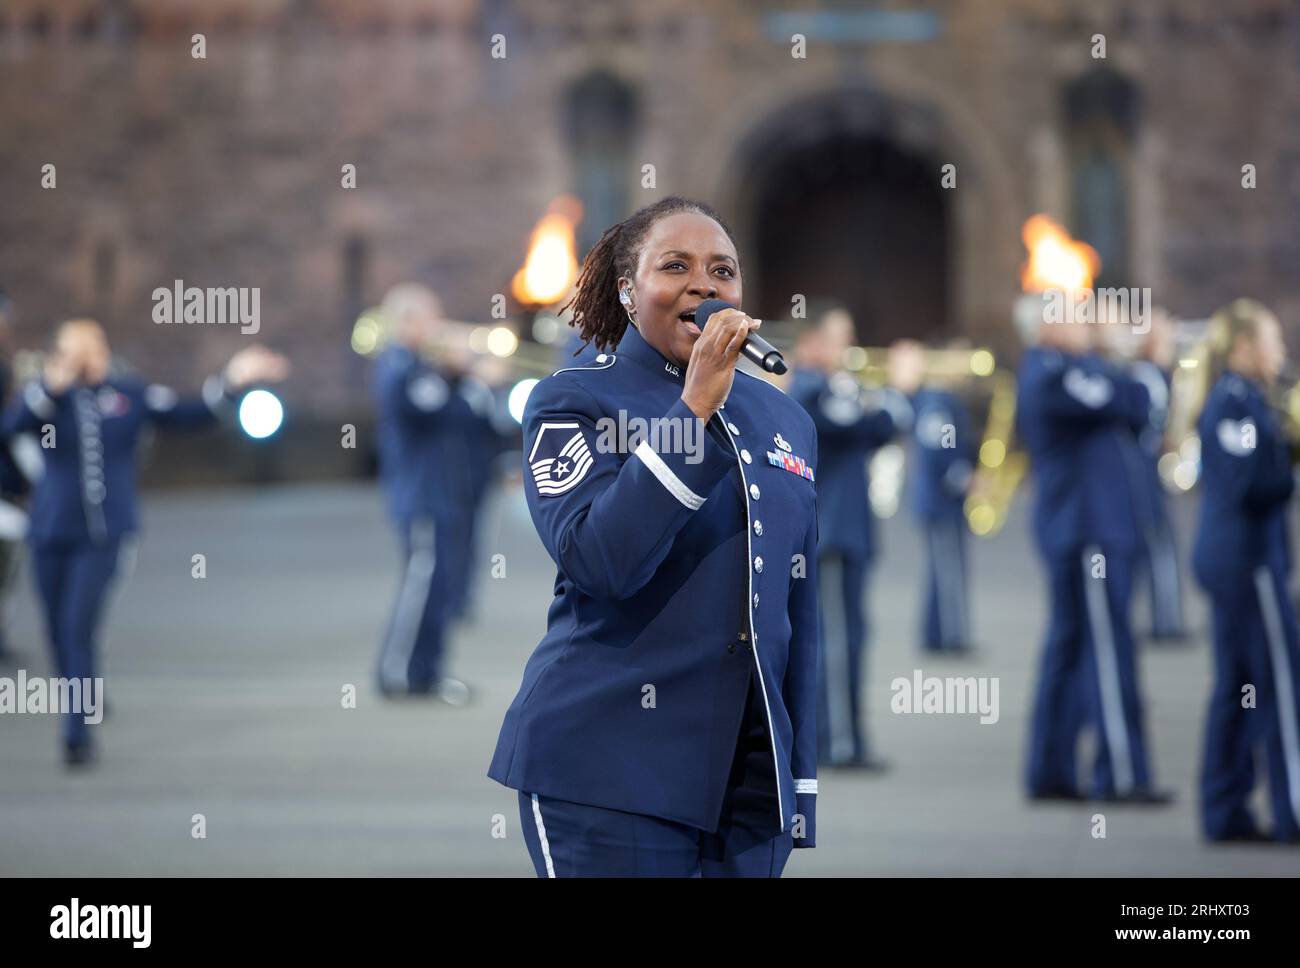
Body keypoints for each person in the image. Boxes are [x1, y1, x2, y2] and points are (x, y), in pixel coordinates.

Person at [487, 196, 820, 877]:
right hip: (608, 771)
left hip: (746, 788)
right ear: (626, 289)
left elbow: (798, 613)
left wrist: (797, 778)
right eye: (676, 266)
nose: (704, 284)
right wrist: (693, 407)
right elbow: (601, 560)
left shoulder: (785, 420)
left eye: (722, 270)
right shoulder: (572, 398)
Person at [0, 318, 288, 766]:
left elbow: (189, 414)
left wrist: (232, 381)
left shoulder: (127, 395)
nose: (85, 357)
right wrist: (49, 388)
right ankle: (86, 692)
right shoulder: (45, 400)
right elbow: (11, 427)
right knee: (56, 627)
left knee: (79, 624)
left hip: (104, 533)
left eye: (92, 346)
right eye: (74, 349)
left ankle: (76, 732)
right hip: (52, 529)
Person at [1016, 305, 1172, 803]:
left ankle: (1051, 771)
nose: (1089, 325)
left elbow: (1141, 413)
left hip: (1087, 530)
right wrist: (1136, 357)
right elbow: (1130, 400)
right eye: (1078, 319)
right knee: (1108, 650)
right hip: (1088, 533)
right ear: (1048, 326)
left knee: (1072, 647)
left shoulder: (1071, 368)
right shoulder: (1053, 370)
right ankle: (1122, 773)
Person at [788, 306, 923, 770]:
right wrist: (898, 393)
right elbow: (871, 426)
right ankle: (837, 742)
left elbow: (877, 429)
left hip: (849, 531)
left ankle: (845, 737)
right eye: (837, 339)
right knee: (836, 640)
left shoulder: (839, 389)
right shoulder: (809, 388)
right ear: (811, 344)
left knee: (853, 637)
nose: (847, 350)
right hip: (832, 534)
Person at [1192, 299, 1300, 843]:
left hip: (1235, 559)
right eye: (1271, 338)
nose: (1280, 350)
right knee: (1282, 683)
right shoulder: (1236, 404)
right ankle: (1294, 808)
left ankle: (1225, 807)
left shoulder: (1247, 401)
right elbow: (1249, 482)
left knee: (1237, 686)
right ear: (1242, 348)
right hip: (1247, 560)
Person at [370, 283, 489, 701]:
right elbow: (436, 410)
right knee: (420, 586)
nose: (438, 326)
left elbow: (465, 418)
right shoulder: (401, 367)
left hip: (441, 497)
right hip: (420, 497)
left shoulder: (421, 368)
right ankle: (397, 671)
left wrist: (463, 377)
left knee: (438, 588)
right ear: (405, 322)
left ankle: (427, 672)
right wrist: (462, 373)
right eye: (429, 317)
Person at [1125, 310, 1187, 641]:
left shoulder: (1158, 374)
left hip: (1150, 470)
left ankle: (1166, 618)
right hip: (1141, 473)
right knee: (1156, 542)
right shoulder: (1141, 375)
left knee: (1159, 543)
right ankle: (1165, 621)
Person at [907, 363, 976, 654]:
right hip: (942, 501)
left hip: (935, 501)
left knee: (941, 570)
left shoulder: (932, 402)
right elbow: (939, 449)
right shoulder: (938, 403)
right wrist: (961, 476)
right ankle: (951, 635)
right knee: (949, 571)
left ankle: (935, 633)